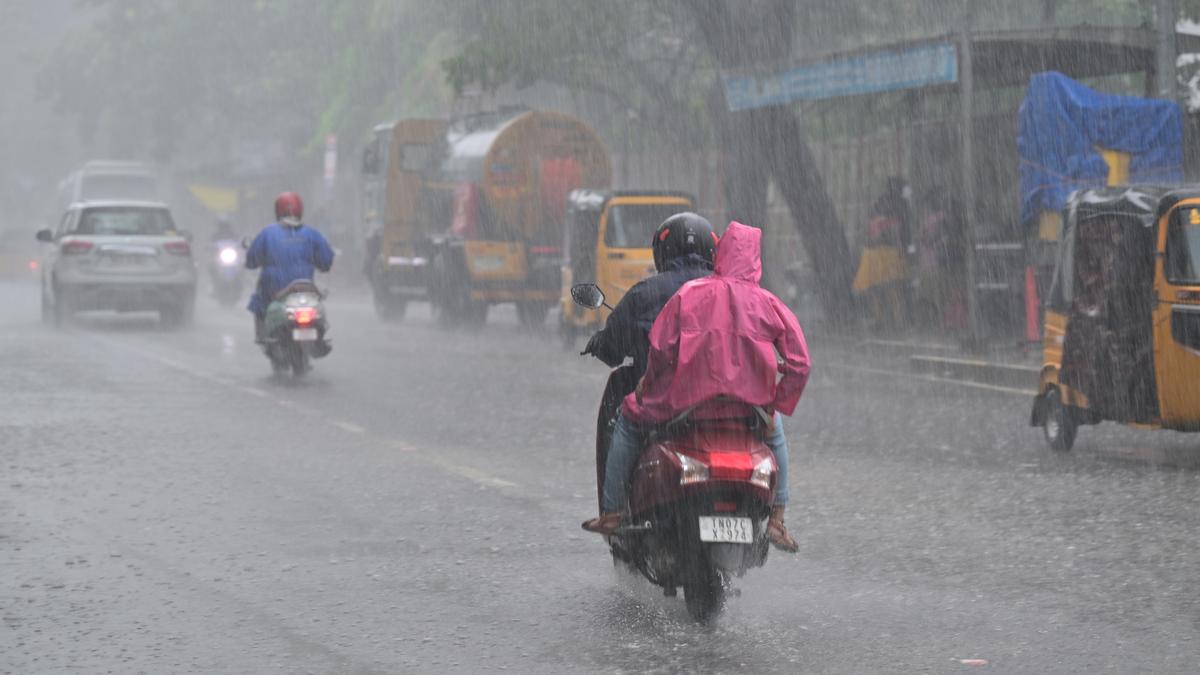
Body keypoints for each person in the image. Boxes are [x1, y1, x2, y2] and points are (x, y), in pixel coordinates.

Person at [583, 221, 811, 553]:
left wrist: (650, 384)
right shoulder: (769, 303)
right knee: (775, 434)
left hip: (686, 404)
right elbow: (801, 363)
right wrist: (777, 401)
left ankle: (614, 513)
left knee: (630, 424)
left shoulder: (693, 293)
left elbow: (660, 347)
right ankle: (777, 519)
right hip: (746, 411)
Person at [582, 212, 718, 514]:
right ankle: (777, 514)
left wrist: (600, 343)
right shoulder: (731, 292)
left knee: (624, 421)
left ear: (662, 251)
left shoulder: (648, 292)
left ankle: (613, 510)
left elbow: (613, 349)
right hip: (725, 399)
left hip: (664, 399)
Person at [245, 192, 335, 342]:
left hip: (273, 288)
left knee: (259, 303)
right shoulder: (312, 234)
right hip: (305, 287)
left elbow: (251, 261)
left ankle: (262, 337)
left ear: (278, 210)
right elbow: (326, 261)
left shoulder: (267, 234)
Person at [853, 177, 914, 330]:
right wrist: (906, 248)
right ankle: (899, 321)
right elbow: (902, 229)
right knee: (894, 287)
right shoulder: (901, 205)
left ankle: (880, 319)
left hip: (872, 252)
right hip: (891, 251)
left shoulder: (879, 203)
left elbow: (868, 228)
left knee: (876, 288)